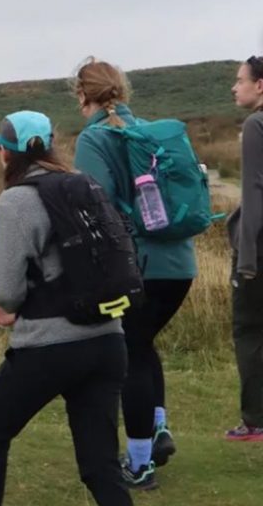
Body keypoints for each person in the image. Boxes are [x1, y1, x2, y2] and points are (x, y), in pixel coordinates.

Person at [0, 111, 132, 506]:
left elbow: (5, 289)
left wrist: (11, 309)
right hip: (108, 340)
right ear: (51, 146)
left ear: (6, 154)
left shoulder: (16, 201)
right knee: (100, 465)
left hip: (49, 346)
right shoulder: (84, 185)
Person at [71, 57, 197, 488]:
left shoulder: (94, 139)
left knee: (130, 355)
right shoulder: (144, 129)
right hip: (180, 262)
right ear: (122, 91)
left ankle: (140, 464)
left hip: (138, 265)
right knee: (143, 345)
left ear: (81, 95)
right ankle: (158, 429)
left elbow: (96, 206)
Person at [226, 55, 263, 441]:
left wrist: (247, 259)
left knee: (250, 331)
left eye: (240, 81)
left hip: (259, 249)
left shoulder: (256, 124)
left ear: (260, 85)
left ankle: (255, 421)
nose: (235, 87)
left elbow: (254, 193)